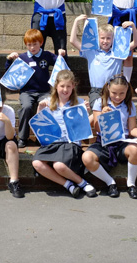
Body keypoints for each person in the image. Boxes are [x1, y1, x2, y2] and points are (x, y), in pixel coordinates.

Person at [32, 70, 97, 198]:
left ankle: (83, 183)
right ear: (56, 86)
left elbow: (82, 130)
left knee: (59, 165)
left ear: (73, 86)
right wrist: (40, 110)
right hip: (53, 142)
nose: (65, 89)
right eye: (62, 86)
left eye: (68, 86)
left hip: (70, 143)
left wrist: (85, 114)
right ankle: (68, 185)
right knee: (37, 163)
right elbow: (40, 128)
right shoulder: (47, 102)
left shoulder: (79, 103)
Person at [6, 28, 66, 148]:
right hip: (27, 92)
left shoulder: (47, 55)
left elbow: (59, 63)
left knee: (47, 107)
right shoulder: (22, 57)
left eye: (35, 44)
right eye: (29, 45)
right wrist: (9, 59)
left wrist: (61, 55)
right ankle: (23, 137)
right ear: (26, 45)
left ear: (41, 43)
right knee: (26, 107)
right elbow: (9, 71)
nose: (32, 47)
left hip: (44, 92)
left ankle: (42, 137)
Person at [69, 14, 137, 107]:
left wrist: (133, 26)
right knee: (97, 110)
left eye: (108, 38)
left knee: (112, 112)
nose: (105, 41)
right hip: (96, 91)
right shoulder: (91, 51)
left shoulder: (118, 52)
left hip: (113, 90)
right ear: (97, 38)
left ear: (113, 39)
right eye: (102, 38)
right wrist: (76, 21)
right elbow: (73, 41)